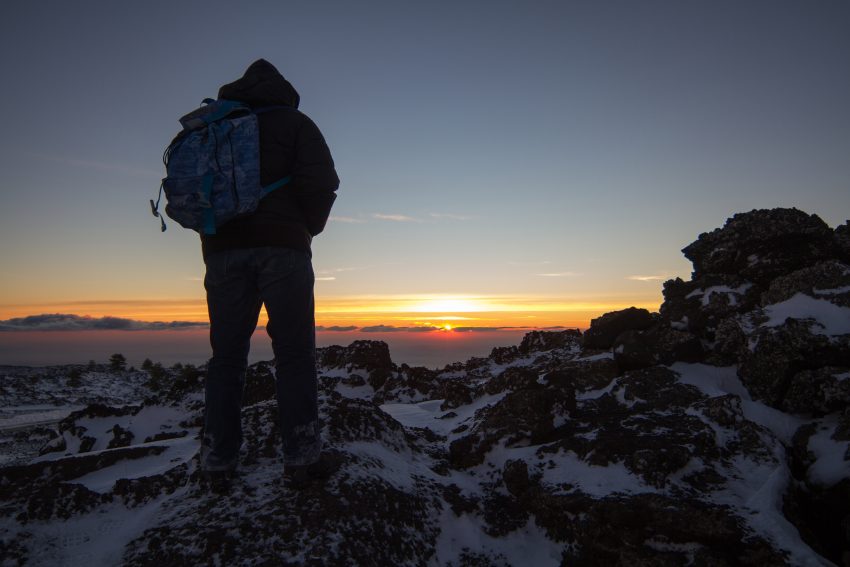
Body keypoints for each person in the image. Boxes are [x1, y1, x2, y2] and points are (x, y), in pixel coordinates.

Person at [200, 59, 339, 483]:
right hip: (284, 250)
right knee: (294, 353)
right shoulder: (296, 124)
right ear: (282, 89)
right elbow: (322, 183)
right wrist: (304, 229)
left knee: (226, 357)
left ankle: (217, 462)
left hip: (223, 252)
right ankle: (300, 458)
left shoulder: (213, 126)